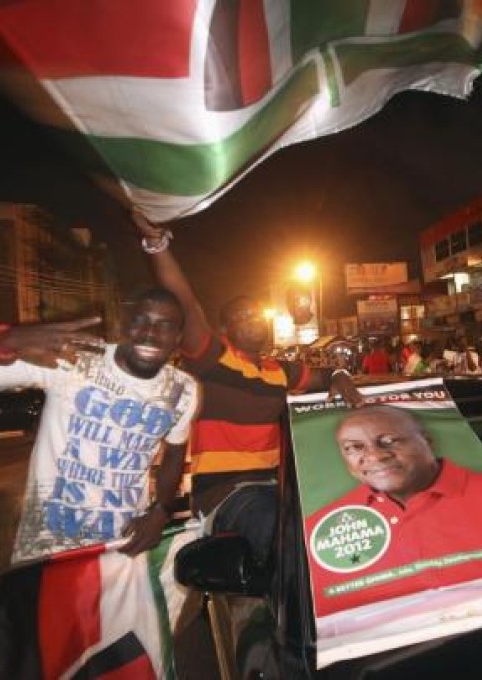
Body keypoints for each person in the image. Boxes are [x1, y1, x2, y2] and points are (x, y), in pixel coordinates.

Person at [134, 214, 362, 560]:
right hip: (227, 494)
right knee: (286, 541)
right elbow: (186, 305)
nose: (253, 321)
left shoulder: (278, 370)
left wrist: (340, 376)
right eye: (242, 317)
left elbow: (325, 377)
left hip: (280, 488)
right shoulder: (213, 357)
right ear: (225, 328)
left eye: (257, 314)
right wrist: (159, 245)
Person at [0, 288, 200, 563]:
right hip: (48, 550)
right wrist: (4, 341)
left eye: (164, 325)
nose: (150, 333)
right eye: (140, 321)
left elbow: (175, 452)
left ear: (178, 338)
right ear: (124, 325)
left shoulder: (182, 390)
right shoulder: (74, 357)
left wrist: (161, 509)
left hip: (124, 546)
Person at [305, 405, 482, 616]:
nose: (375, 456)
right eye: (354, 448)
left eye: (389, 441)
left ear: (428, 442)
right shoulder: (319, 531)